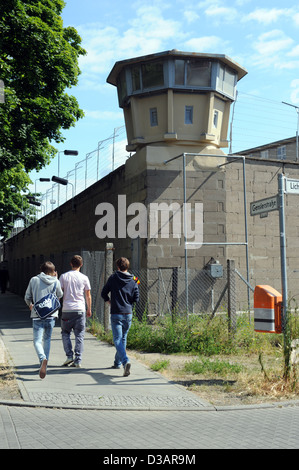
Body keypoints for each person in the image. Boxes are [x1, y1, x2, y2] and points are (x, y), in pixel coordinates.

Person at [101, 257, 139, 377]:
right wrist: (129, 302)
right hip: (128, 313)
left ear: (117, 266)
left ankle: (125, 361)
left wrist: (109, 301)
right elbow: (136, 298)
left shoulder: (113, 277)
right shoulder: (134, 279)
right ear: (127, 266)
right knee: (123, 339)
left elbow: (104, 292)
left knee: (117, 339)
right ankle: (117, 363)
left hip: (116, 312)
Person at [24, 261, 63, 379]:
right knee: (47, 339)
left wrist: (31, 305)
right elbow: (60, 295)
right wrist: (56, 280)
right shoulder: (56, 281)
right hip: (51, 314)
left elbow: (27, 297)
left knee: (37, 340)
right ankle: (45, 361)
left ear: (41, 270)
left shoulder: (34, 280)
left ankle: (42, 359)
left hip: (37, 315)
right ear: (53, 271)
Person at [59, 255, 92, 368]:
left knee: (65, 333)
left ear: (71, 264)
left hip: (67, 309)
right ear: (81, 265)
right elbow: (88, 295)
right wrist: (89, 309)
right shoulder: (84, 278)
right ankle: (78, 360)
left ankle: (69, 356)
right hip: (80, 309)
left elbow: (59, 293)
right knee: (79, 335)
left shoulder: (63, 277)